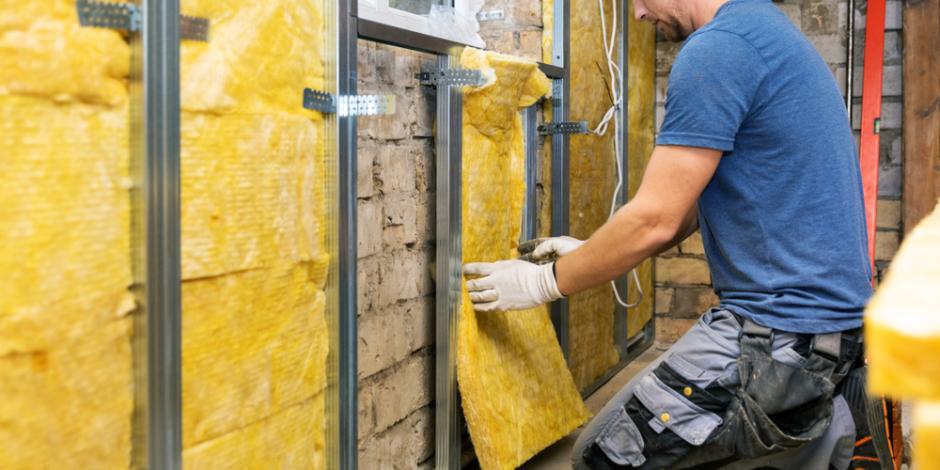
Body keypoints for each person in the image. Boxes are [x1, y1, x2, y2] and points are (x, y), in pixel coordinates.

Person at [462, 0, 875, 467]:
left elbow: (654, 220)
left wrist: (543, 282)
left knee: (605, 457)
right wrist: (594, 250)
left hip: (778, 338)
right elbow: (691, 204)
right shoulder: (766, 31)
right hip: (831, 335)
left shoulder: (718, 50)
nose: (637, 14)